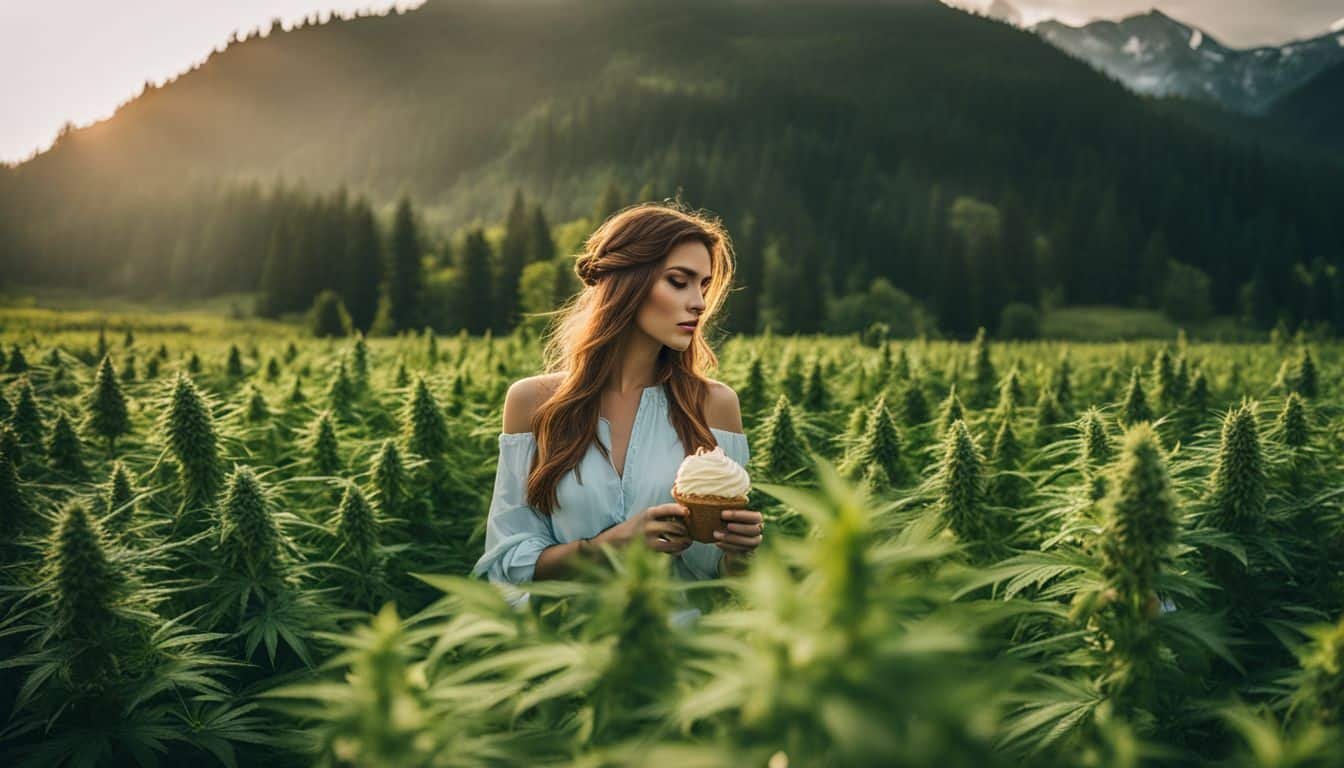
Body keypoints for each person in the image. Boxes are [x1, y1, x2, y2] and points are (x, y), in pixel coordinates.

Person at [472, 201, 764, 611]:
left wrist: (738, 556)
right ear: (627, 283)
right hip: (565, 650)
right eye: (679, 282)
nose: (699, 302)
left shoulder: (715, 405)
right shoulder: (533, 403)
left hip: (677, 653)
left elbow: (715, 578)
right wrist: (609, 546)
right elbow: (505, 563)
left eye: (703, 285)